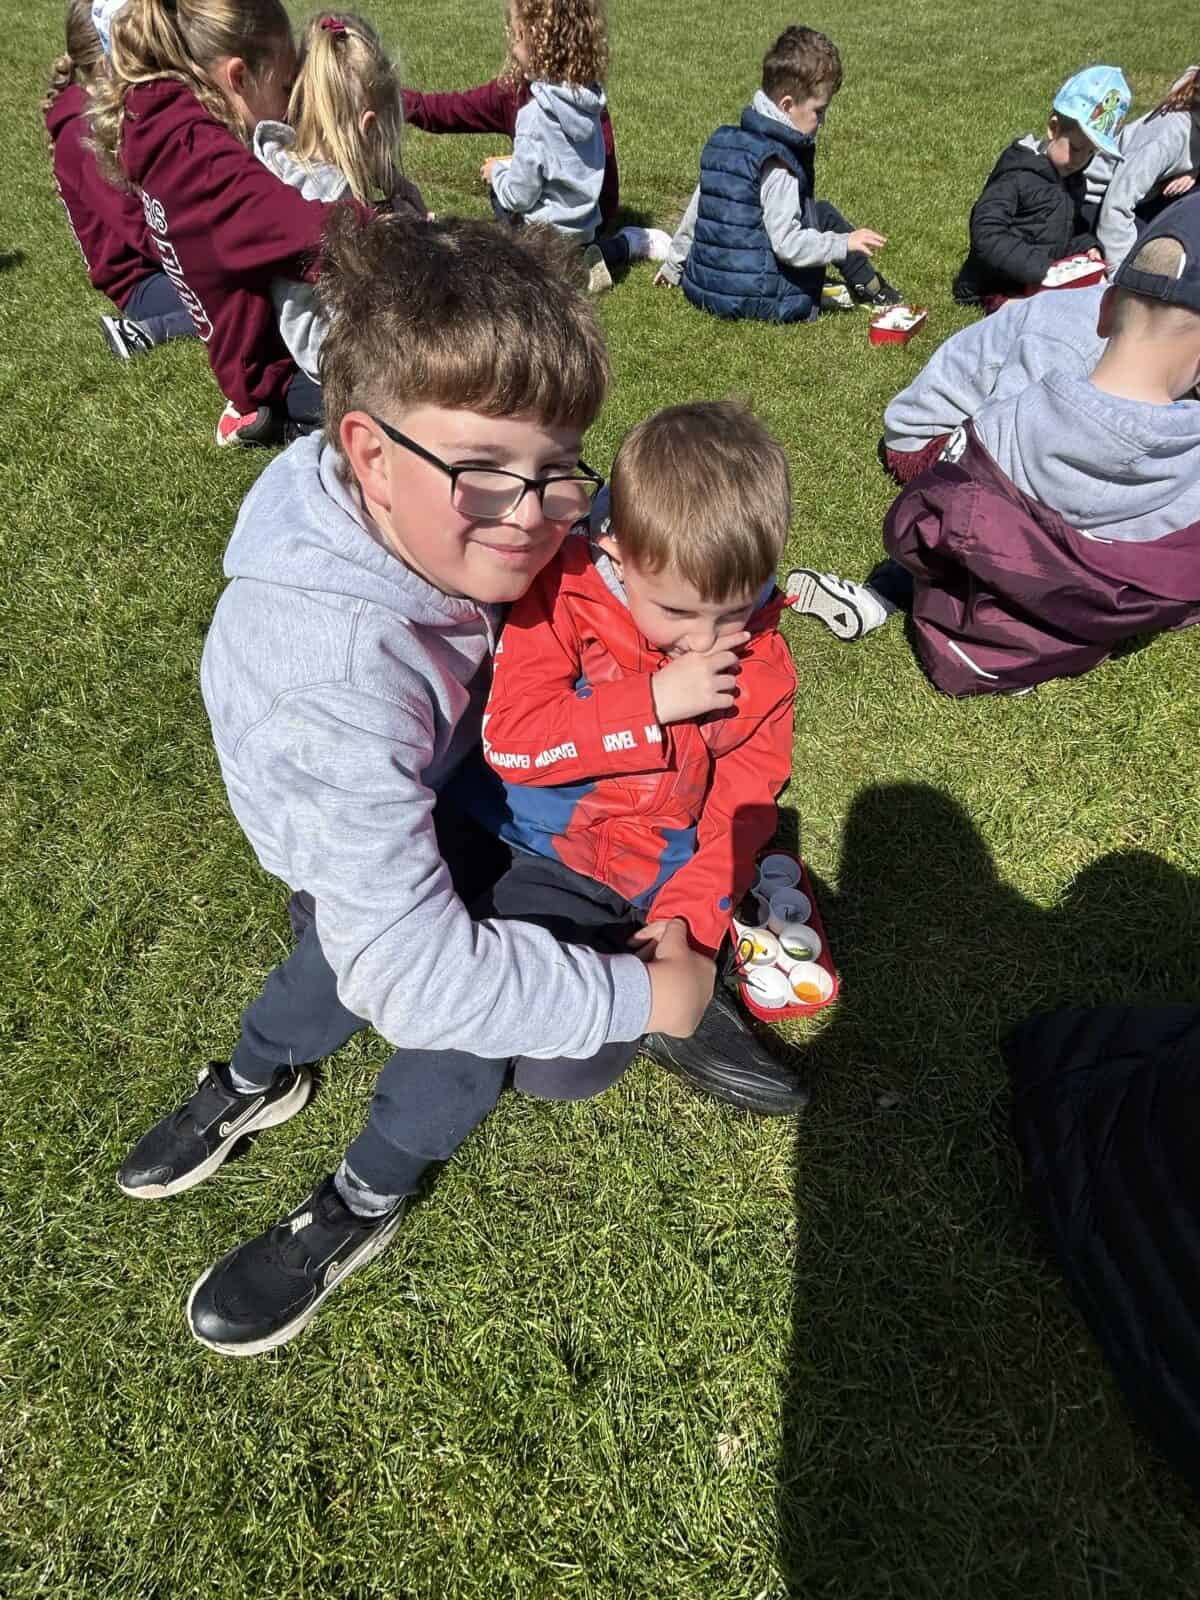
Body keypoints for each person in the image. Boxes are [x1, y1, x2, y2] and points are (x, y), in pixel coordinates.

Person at [116, 214, 804, 1358]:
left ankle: (365, 1190)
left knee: (499, 1029)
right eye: (486, 472)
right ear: (370, 452)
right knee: (379, 976)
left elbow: (738, 773)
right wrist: (655, 998)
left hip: (504, 834)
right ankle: (253, 1071)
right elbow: (427, 967)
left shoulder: (531, 540)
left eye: (558, 471)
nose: (533, 518)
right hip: (406, 833)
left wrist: (687, 915)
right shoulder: (333, 677)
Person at [789, 199, 1200, 694]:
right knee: (1001, 524)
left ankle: (992, 621)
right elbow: (980, 480)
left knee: (1043, 535)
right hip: (936, 434)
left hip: (1003, 457)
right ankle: (892, 593)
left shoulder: (1109, 380)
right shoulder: (1056, 352)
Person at [477, 399, 797, 971]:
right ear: (617, 555)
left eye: (733, 612)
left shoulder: (763, 664)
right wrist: (652, 703)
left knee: (575, 1020)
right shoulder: (566, 593)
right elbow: (511, 741)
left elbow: (740, 811)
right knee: (484, 983)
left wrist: (689, 919)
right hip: (522, 839)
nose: (704, 640)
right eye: (676, 611)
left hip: (637, 880)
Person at [88, 0, 358, 447]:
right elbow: (312, 235)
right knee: (407, 395)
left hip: (245, 359)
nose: (289, 105)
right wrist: (403, 229)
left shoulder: (160, 120)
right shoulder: (201, 163)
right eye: (285, 85)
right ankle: (284, 424)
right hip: (278, 374)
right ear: (238, 78)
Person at [656, 24, 903, 320]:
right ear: (787, 105)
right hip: (756, 296)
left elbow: (696, 213)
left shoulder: (727, 143)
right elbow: (788, 245)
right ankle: (874, 288)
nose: (823, 121)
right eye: (819, 111)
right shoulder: (778, 162)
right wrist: (843, 243)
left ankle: (863, 285)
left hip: (707, 286)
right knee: (823, 215)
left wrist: (673, 266)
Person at [253, 10, 427, 388]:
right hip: (324, 358)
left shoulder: (287, 161)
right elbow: (331, 322)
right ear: (368, 127)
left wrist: (393, 183)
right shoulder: (329, 200)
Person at [479, 0, 669, 289]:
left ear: (534, 42)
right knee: (580, 257)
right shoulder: (588, 103)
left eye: (516, 36)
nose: (512, 48)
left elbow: (519, 197)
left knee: (499, 195)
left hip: (544, 238)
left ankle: (542, 267)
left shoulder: (534, 116)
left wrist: (496, 174)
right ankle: (621, 247)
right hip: (584, 230)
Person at [45, 0, 195, 359]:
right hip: (143, 282)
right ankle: (144, 331)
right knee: (239, 302)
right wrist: (202, 254)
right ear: (105, 64)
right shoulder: (82, 135)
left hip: (165, 258)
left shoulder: (111, 111)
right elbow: (138, 230)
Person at [879, 280, 1108, 484]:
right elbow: (1005, 437)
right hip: (929, 439)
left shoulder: (1104, 318)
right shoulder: (1066, 344)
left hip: (986, 422)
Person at [953, 65, 1130, 310]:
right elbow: (986, 233)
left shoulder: (1073, 179)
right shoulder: (1018, 174)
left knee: (1092, 299)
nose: (1081, 159)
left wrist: (1087, 246)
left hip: (1041, 277)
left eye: (1091, 153)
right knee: (1038, 313)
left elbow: (1069, 230)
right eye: (1077, 148)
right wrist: (1040, 269)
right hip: (995, 283)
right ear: (1053, 129)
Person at [1098, 67, 1200, 270]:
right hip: (1098, 207)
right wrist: (1120, 274)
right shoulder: (1167, 137)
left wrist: (1195, 171)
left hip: (1146, 199)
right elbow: (1116, 206)